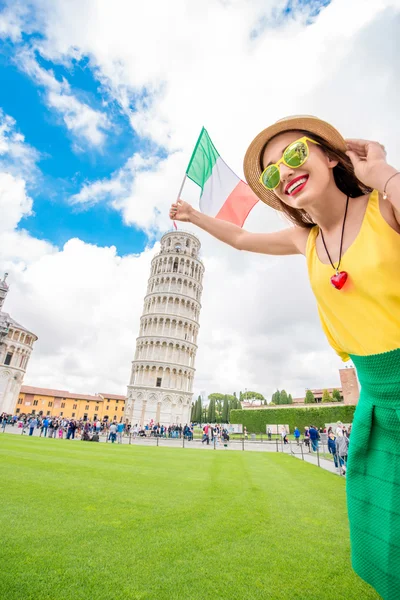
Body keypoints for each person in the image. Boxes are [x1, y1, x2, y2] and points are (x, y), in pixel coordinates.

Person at [169, 114, 400, 598]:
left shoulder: (384, 205)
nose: (284, 172)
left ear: (332, 156)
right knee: (386, 543)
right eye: (272, 172)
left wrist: (381, 173)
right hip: (377, 403)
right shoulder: (307, 240)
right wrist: (193, 216)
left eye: (295, 154)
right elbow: (240, 238)